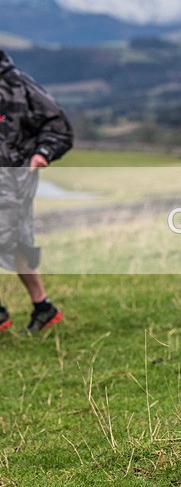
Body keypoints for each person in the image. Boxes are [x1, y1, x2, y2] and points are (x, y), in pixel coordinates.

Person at [0, 49, 73, 333]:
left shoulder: (16, 84)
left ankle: (40, 308)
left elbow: (59, 126)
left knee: (14, 240)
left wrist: (42, 153)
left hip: (14, 179)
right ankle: (43, 307)